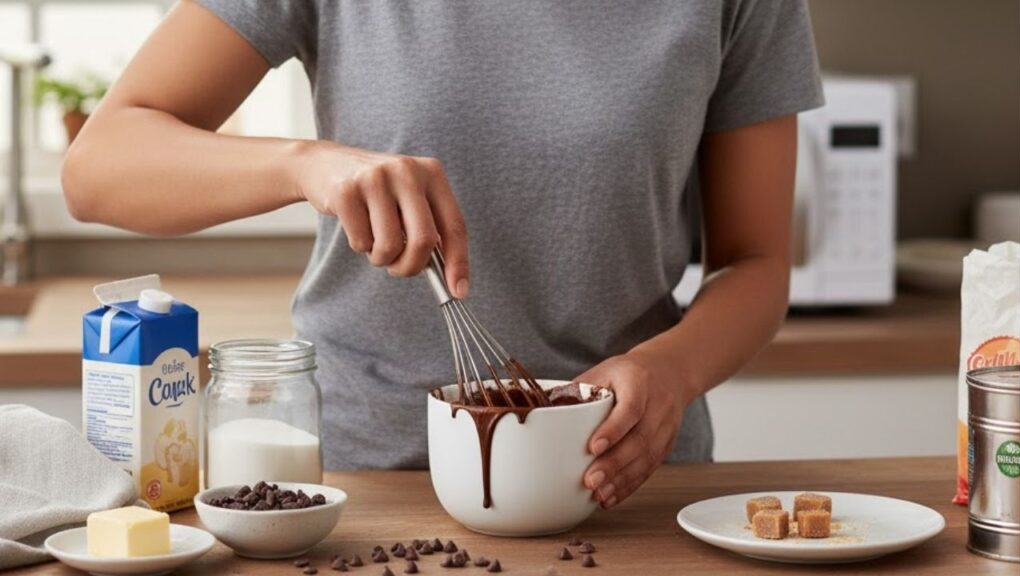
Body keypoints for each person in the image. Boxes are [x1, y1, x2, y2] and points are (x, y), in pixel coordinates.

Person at [63, 0, 823, 509]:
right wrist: (306, 164)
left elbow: (755, 264)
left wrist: (671, 372)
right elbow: (98, 169)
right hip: (361, 489)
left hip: (624, 483)